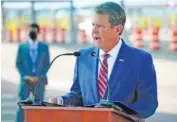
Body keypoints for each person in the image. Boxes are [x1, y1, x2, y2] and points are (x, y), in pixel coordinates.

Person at [49, 2, 158, 121]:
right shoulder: (83, 57)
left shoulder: (141, 59)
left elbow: (148, 102)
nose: (94, 30)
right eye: (93, 25)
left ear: (117, 29)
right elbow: (78, 95)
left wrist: (122, 114)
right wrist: (62, 100)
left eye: (100, 26)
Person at [16, 23, 50, 122]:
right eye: (30, 31)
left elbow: (47, 64)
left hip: (39, 82)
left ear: (38, 32)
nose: (32, 33)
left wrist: (39, 76)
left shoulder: (44, 47)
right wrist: (25, 76)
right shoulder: (22, 46)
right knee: (22, 107)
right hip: (26, 82)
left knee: (39, 107)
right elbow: (18, 63)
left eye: (34, 31)